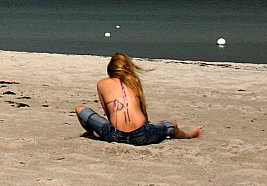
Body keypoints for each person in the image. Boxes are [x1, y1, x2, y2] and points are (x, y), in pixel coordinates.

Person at [75, 53, 204, 145]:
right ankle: (189, 135)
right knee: (171, 125)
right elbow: (143, 112)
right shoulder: (134, 81)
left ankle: (91, 133)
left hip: (115, 134)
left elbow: (109, 114)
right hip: (141, 134)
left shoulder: (102, 84)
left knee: (80, 110)